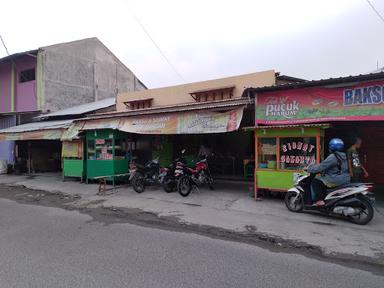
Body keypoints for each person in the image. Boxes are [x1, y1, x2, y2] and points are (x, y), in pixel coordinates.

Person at [307, 138, 351, 206]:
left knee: (316, 182)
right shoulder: (344, 155)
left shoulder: (333, 157)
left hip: (335, 179)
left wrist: (309, 169)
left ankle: (319, 200)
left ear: (332, 147)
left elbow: (321, 167)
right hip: (346, 178)